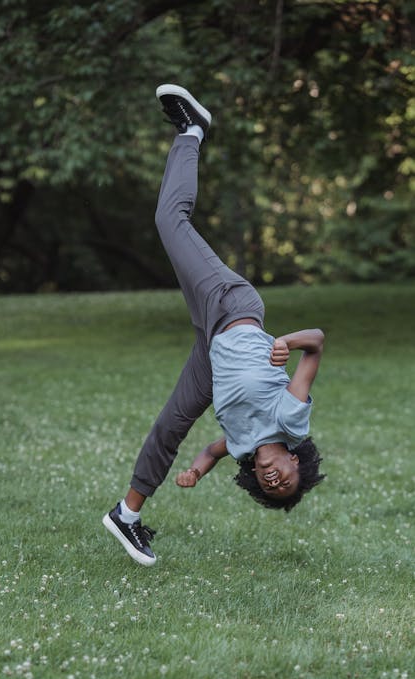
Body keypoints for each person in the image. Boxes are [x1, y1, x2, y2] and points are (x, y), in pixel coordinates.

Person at [103, 84, 325, 566]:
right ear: (294, 459)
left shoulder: (245, 444)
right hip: (232, 307)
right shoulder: (290, 419)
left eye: (271, 490)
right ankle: (194, 130)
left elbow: (210, 447)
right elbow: (318, 344)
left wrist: (198, 472)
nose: (274, 481)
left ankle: (127, 514)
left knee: (170, 426)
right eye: (285, 480)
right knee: (170, 220)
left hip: (212, 349)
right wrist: (287, 341)